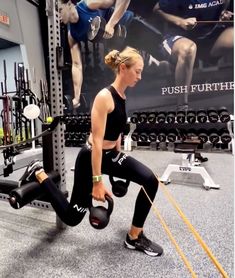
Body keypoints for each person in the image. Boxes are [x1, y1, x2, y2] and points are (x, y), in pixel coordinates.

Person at [19, 47, 163, 257]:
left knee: (150, 181)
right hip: (90, 157)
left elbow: (116, 131)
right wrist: (97, 182)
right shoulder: (104, 97)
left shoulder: (122, 95)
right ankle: (38, 172)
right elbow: (96, 142)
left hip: (109, 156)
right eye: (138, 71)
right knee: (72, 217)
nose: (140, 77)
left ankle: (133, 237)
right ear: (123, 68)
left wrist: (116, 168)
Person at [153, 0, 234, 108]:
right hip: (180, 36)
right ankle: (182, 106)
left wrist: (224, 12)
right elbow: (157, 9)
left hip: (209, 39)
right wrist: (180, 21)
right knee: (188, 49)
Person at [60, 0, 133, 109]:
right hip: (120, 44)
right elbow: (76, 65)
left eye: (59, 10)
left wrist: (111, 24)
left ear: (69, 4)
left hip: (131, 25)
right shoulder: (72, 35)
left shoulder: (88, 4)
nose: (57, 16)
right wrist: (76, 97)